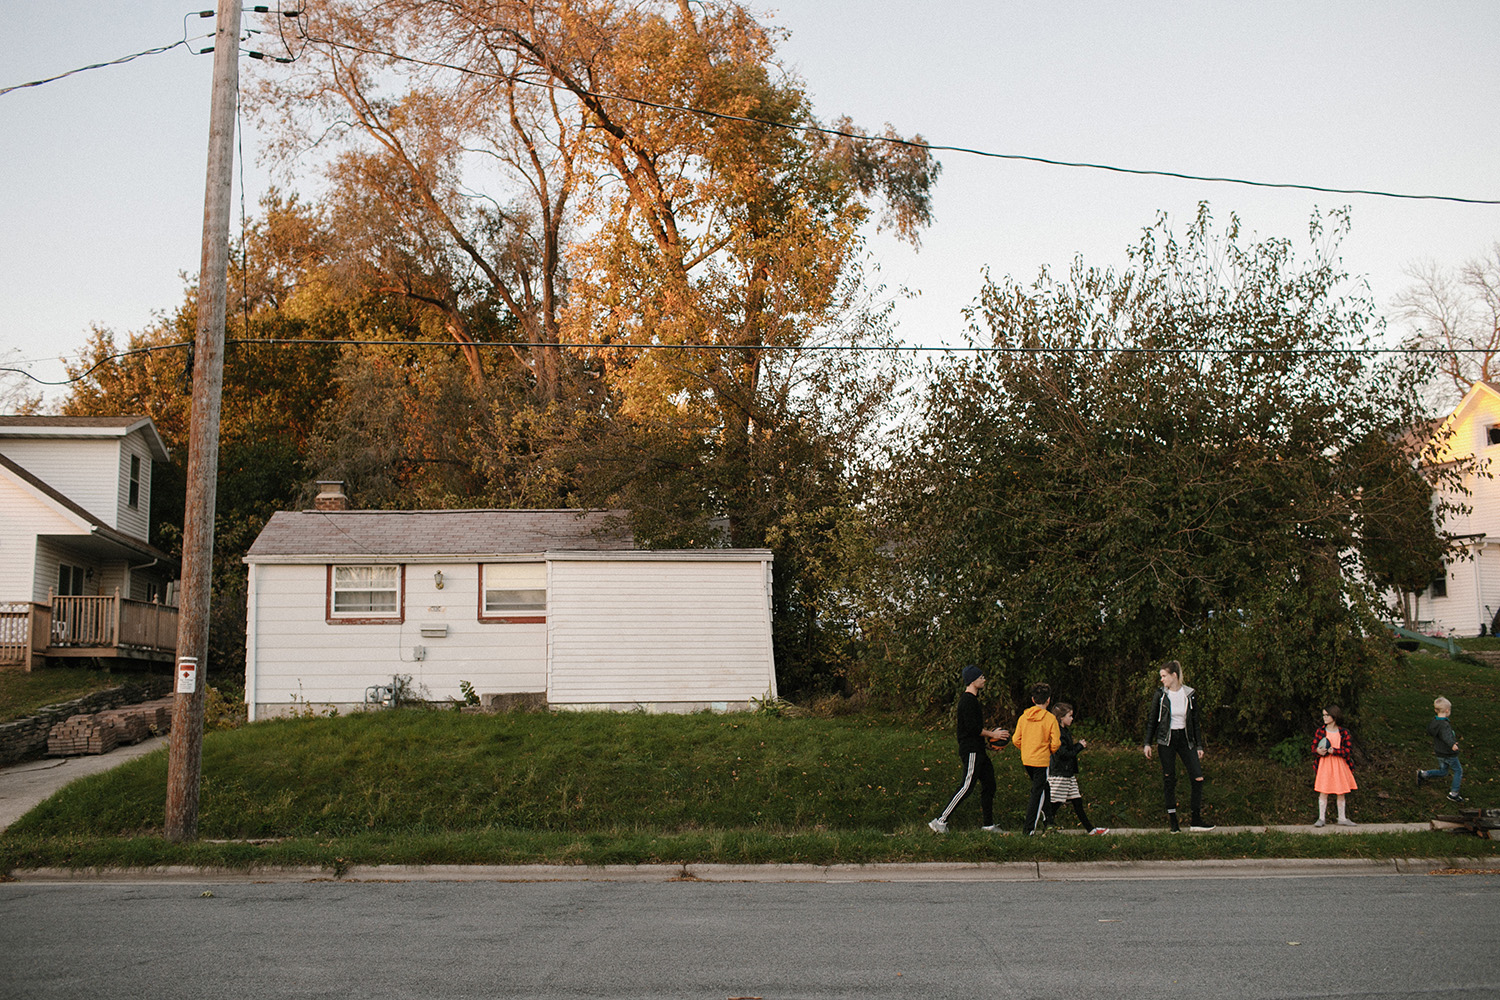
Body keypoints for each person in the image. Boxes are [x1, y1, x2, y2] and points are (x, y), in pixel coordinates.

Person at [929, 665, 1011, 833]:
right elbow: (973, 729)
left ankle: (988, 825)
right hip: (971, 750)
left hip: (979, 749)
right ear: (973, 680)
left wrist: (988, 745)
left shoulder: (973, 700)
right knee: (966, 786)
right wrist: (994, 733)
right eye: (981, 677)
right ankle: (940, 821)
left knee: (990, 784)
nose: (984, 680)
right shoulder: (967, 701)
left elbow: (974, 730)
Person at [1143, 660, 1214, 832]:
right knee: (1170, 778)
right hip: (1166, 741)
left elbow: (1195, 721)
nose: (1161, 680)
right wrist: (1147, 743)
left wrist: (1199, 746)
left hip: (1185, 739)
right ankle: (1174, 824)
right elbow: (1152, 720)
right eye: (1161, 676)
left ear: (1174, 676)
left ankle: (1195, 821)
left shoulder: (1189, 694)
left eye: (1164, 676)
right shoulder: (1160, 695)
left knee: (1198, 777)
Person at [1042, 702, 1108, 835]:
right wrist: (1079, 747)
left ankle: (1090, 829)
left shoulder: (1064, 731)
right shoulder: (1058, 733)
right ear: (1061, 718)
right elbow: (1063, 754)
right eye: (1069, 716)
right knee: (1055, 802)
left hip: (1068, 773)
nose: (1072, 719)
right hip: (1060, 773)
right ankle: (1047, 824)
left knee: (1077, 802)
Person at [1012, 682, 1062, 835]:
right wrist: (1049, 751)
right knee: (1037, 793)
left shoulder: (1024, 717)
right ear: (1048, 700)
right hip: (1041, 761)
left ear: (1033, 700)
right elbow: (1056, 742)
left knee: (1043, 787)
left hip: (1027, 759)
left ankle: (1049, 821)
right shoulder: (1050, 719)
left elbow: (1016, 739)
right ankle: (1029, 829)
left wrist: (1026, 749)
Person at [1311, 705, 1357, 827]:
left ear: (1334, 716)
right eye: (1323, 715)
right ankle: (1321, 818)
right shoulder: (1321, 731)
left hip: (1339, 765)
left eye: (1327, 715)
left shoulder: (1343, 732)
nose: (1324, 718)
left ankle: (1342, 818)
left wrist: (1334, 751)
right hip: (1325, 765)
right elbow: (1313, 748)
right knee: (1323, 791)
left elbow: (1348, 750)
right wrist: (1318, 751)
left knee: (1340, 791)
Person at [1417, 696, 1464, 803]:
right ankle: (1454, 794)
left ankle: (1423, 774)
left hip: (1439, 752)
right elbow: (1447, 736)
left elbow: (1434, 732)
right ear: (1447, 710)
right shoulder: (1444, 725)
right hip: (1448, 753)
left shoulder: (1434, 722)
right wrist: (1453, 744)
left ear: (1435, 710)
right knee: (1458, 771)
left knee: (1443, 771)